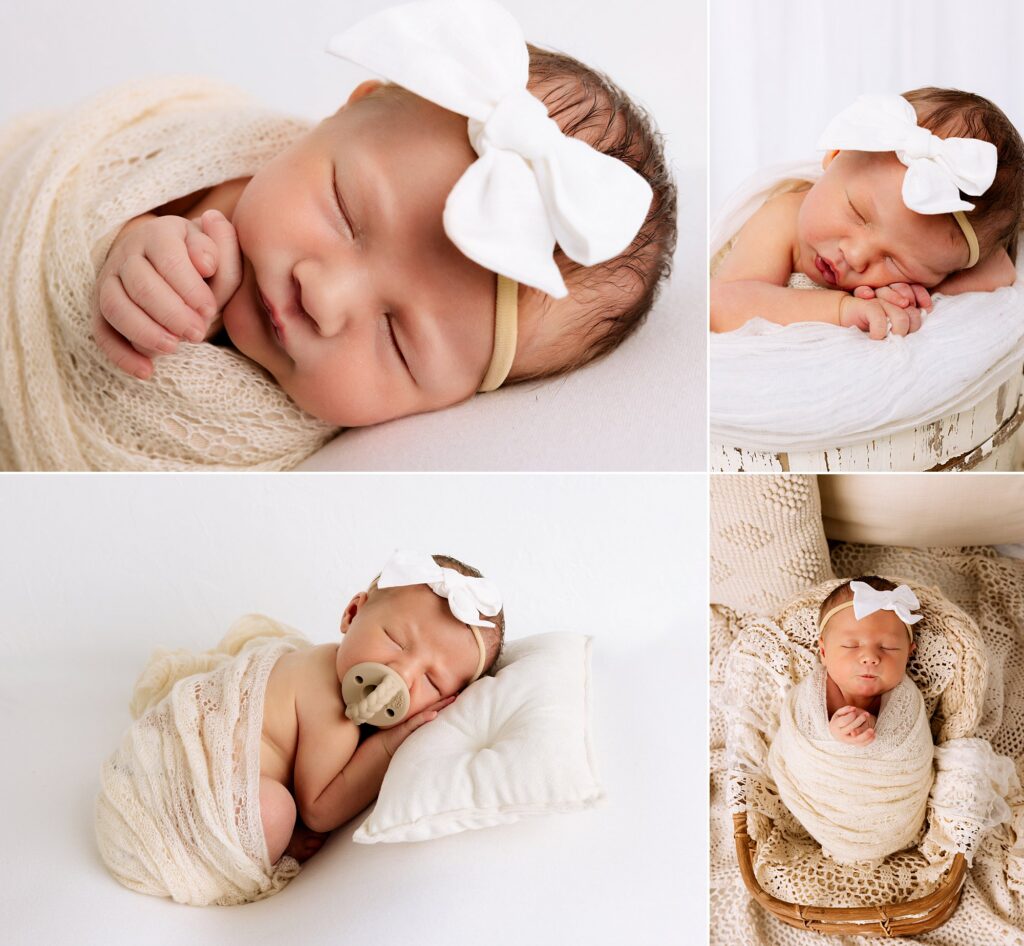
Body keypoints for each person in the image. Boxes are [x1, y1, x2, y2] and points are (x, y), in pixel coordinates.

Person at [711, 89, 1023, 339]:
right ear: (834, 156)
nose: (857, 256)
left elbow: (1000, 269)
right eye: (857, 213)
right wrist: (842, 309)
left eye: (897, 262)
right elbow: (722, 304)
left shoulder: (930, 264)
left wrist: (915, 294)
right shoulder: (781, 219)